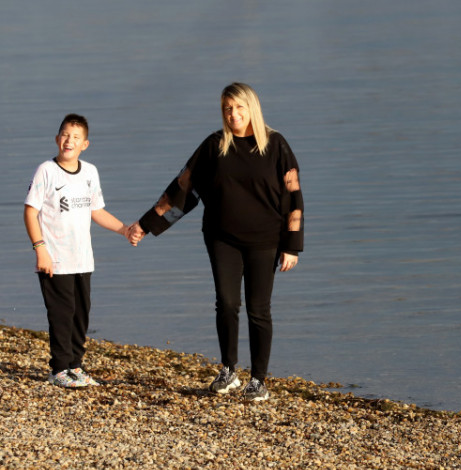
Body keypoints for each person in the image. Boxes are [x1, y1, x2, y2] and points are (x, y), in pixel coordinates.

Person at [129, 82, 304, 402]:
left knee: (258, 309)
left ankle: (259, 380)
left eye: (239, 107)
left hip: (265, 241)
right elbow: (182, 188)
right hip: (222, 239)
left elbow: (293, 196)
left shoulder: (276, 146)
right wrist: (145, 224)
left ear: (252, 108)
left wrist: (291, 245)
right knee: (226, 303)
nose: (233, 114)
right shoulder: (214, 146)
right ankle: (228, 370)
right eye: (227, 108)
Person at [24, 113, 132, 388]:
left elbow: (97, 211)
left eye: (75, 137)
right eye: (64, 135)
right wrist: (40, 250)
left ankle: (76, 366)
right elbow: (30, 211)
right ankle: (59, 369)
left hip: (82, 259)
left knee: (80, 315)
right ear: (57, 139)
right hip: (54, 259)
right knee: (61, 314)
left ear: (85, 144)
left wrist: (124, 229)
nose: (68, 141)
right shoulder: (46, 171)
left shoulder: (90, 172)